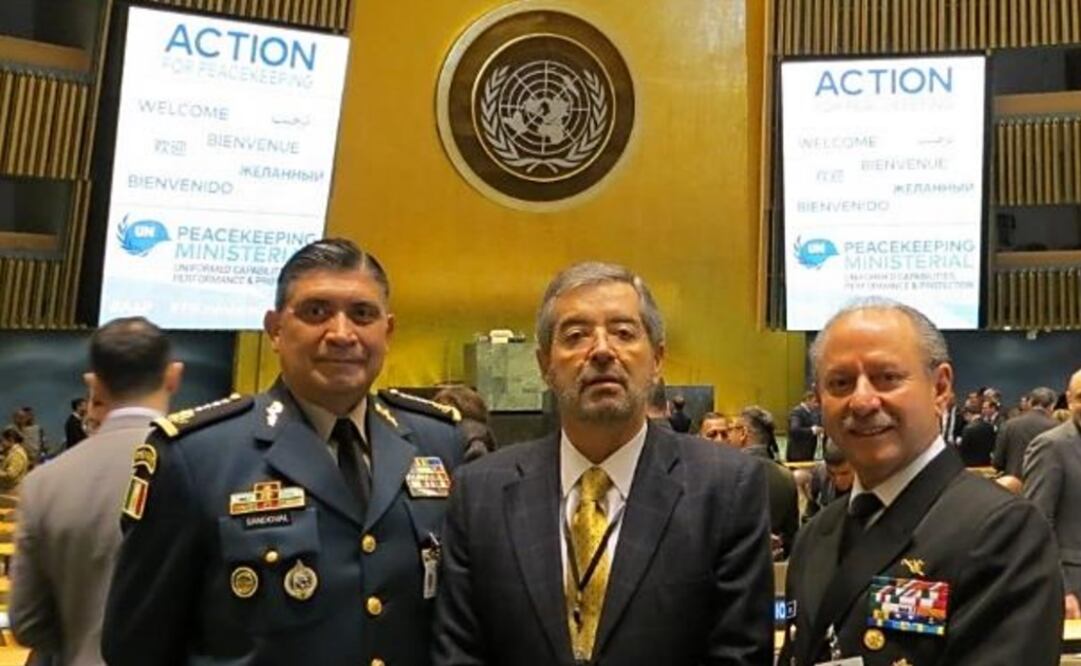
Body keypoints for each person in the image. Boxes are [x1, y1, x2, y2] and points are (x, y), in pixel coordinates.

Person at [102, 239, 465, 666]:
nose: (342, 334)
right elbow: (136, 648)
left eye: (362, 314)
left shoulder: (438, 442)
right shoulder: (196, 456)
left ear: (387, 331)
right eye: (316, 312)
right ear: (275, 329)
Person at [432, 262, 774, 666]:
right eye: (576, 336)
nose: (601, 350)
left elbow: (740, 655)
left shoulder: (725, 488)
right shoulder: (480, 492)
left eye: (624, 333)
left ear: (658, 358)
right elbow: (459, 653)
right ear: (544, 364)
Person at [778, 298, 1062, 665]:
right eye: (841, 383)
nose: (862, 401)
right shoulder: (817, 535)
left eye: (888, 377)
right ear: (819, 400)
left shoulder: (1002, 531)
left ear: (940, 388)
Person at [10, 317, 183, 665]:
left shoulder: (44, 484)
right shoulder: (211, 465)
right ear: (173, 376)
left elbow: (27, 625)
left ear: (94, 384)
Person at [1022, 369, 1081, 620]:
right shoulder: (1051, 446)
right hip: (1072, 589)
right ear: (1068, 399)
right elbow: (1037, 525)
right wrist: (1062, 590)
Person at [727, 405, 799, 560]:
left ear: (743, 433)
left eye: (731, 429)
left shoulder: (726, 473)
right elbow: (791, 537)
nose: (727, 435)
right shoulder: (786, 477)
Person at [993, 386, 1058, 481]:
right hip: (1044, 484)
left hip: (1013, 485)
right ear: (1052, 405)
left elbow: (997, 462)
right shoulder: (1057, 427)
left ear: (1030, 402)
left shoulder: (1009, 425)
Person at [803, 439, 854, 521]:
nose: (838, 480)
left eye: (844, 473)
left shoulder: (871, 484)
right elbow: (811, 513)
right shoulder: (819, 475)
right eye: (832, 474)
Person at [786, 391, 822, 462]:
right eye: (814, 402)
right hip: (798, 455)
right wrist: (812, 430)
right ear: (807, 400)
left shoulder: (812, 413)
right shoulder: (797, 412)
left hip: (808, 453)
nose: (816, 405)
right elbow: (794, 430)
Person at [0, 427, 30, 492]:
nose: (1, 443)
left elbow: (10, 475)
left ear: (11, 440)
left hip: (11, 491)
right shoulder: (11, 452)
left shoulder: (17, 454)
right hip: (8, 490)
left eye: (2, 440)